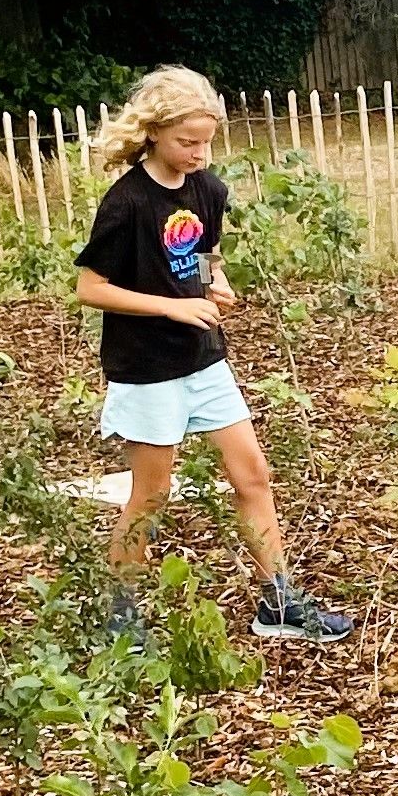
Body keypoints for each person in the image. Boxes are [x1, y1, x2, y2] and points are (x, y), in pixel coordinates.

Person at [74, 65, 355, 643]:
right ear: (153, 133)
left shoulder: (208, 190)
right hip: (148, 368)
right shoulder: (126, 203)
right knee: (150, 495)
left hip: (203, 358)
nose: (200, 153)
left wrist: (213, 283)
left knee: (253, 474)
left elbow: (205, 255)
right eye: (187, 142)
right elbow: (90, 288)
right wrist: (171, 306)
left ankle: (279, 601)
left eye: (207, 141)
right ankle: (120, 614)